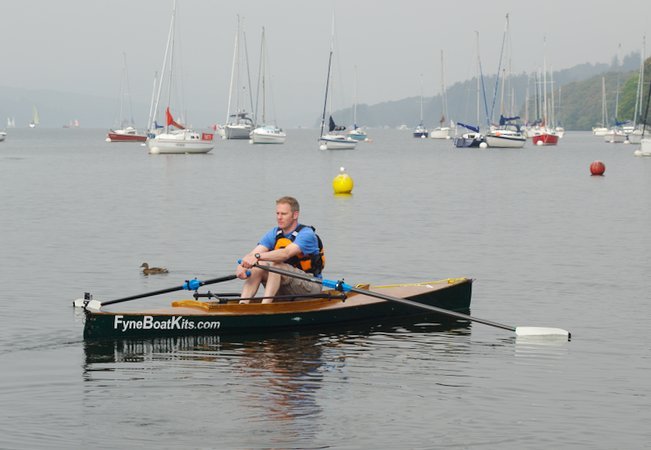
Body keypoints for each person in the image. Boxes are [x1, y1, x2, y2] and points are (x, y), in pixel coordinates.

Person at [237, 196, 324, 304]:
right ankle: (242, 304)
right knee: (258, 265)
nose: (279, 217)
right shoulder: (274, 233)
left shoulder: (307, 234)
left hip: (311, 287)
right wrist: (242, 266)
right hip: (286, 285)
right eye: (277, 213)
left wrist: (256, 257)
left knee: (276, 266)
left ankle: (265, 307)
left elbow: (285, 253)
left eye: (283, 214)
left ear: (295, 215)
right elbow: (253, 254)